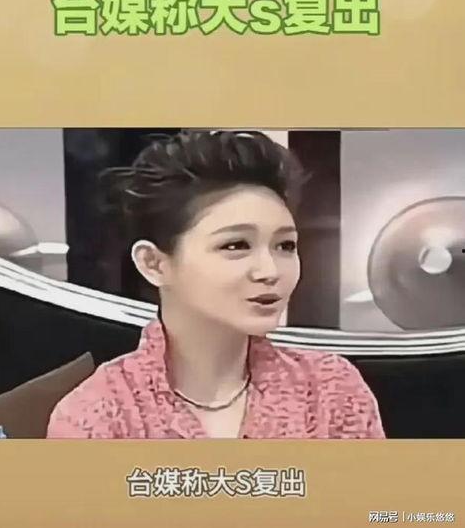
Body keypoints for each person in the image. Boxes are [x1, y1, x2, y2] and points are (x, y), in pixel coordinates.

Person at [47, 131, 385, 439]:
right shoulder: (98, 415)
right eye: (236, 245)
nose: (270, 271)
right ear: (153, 263)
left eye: (285, 246)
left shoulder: (333, 392)